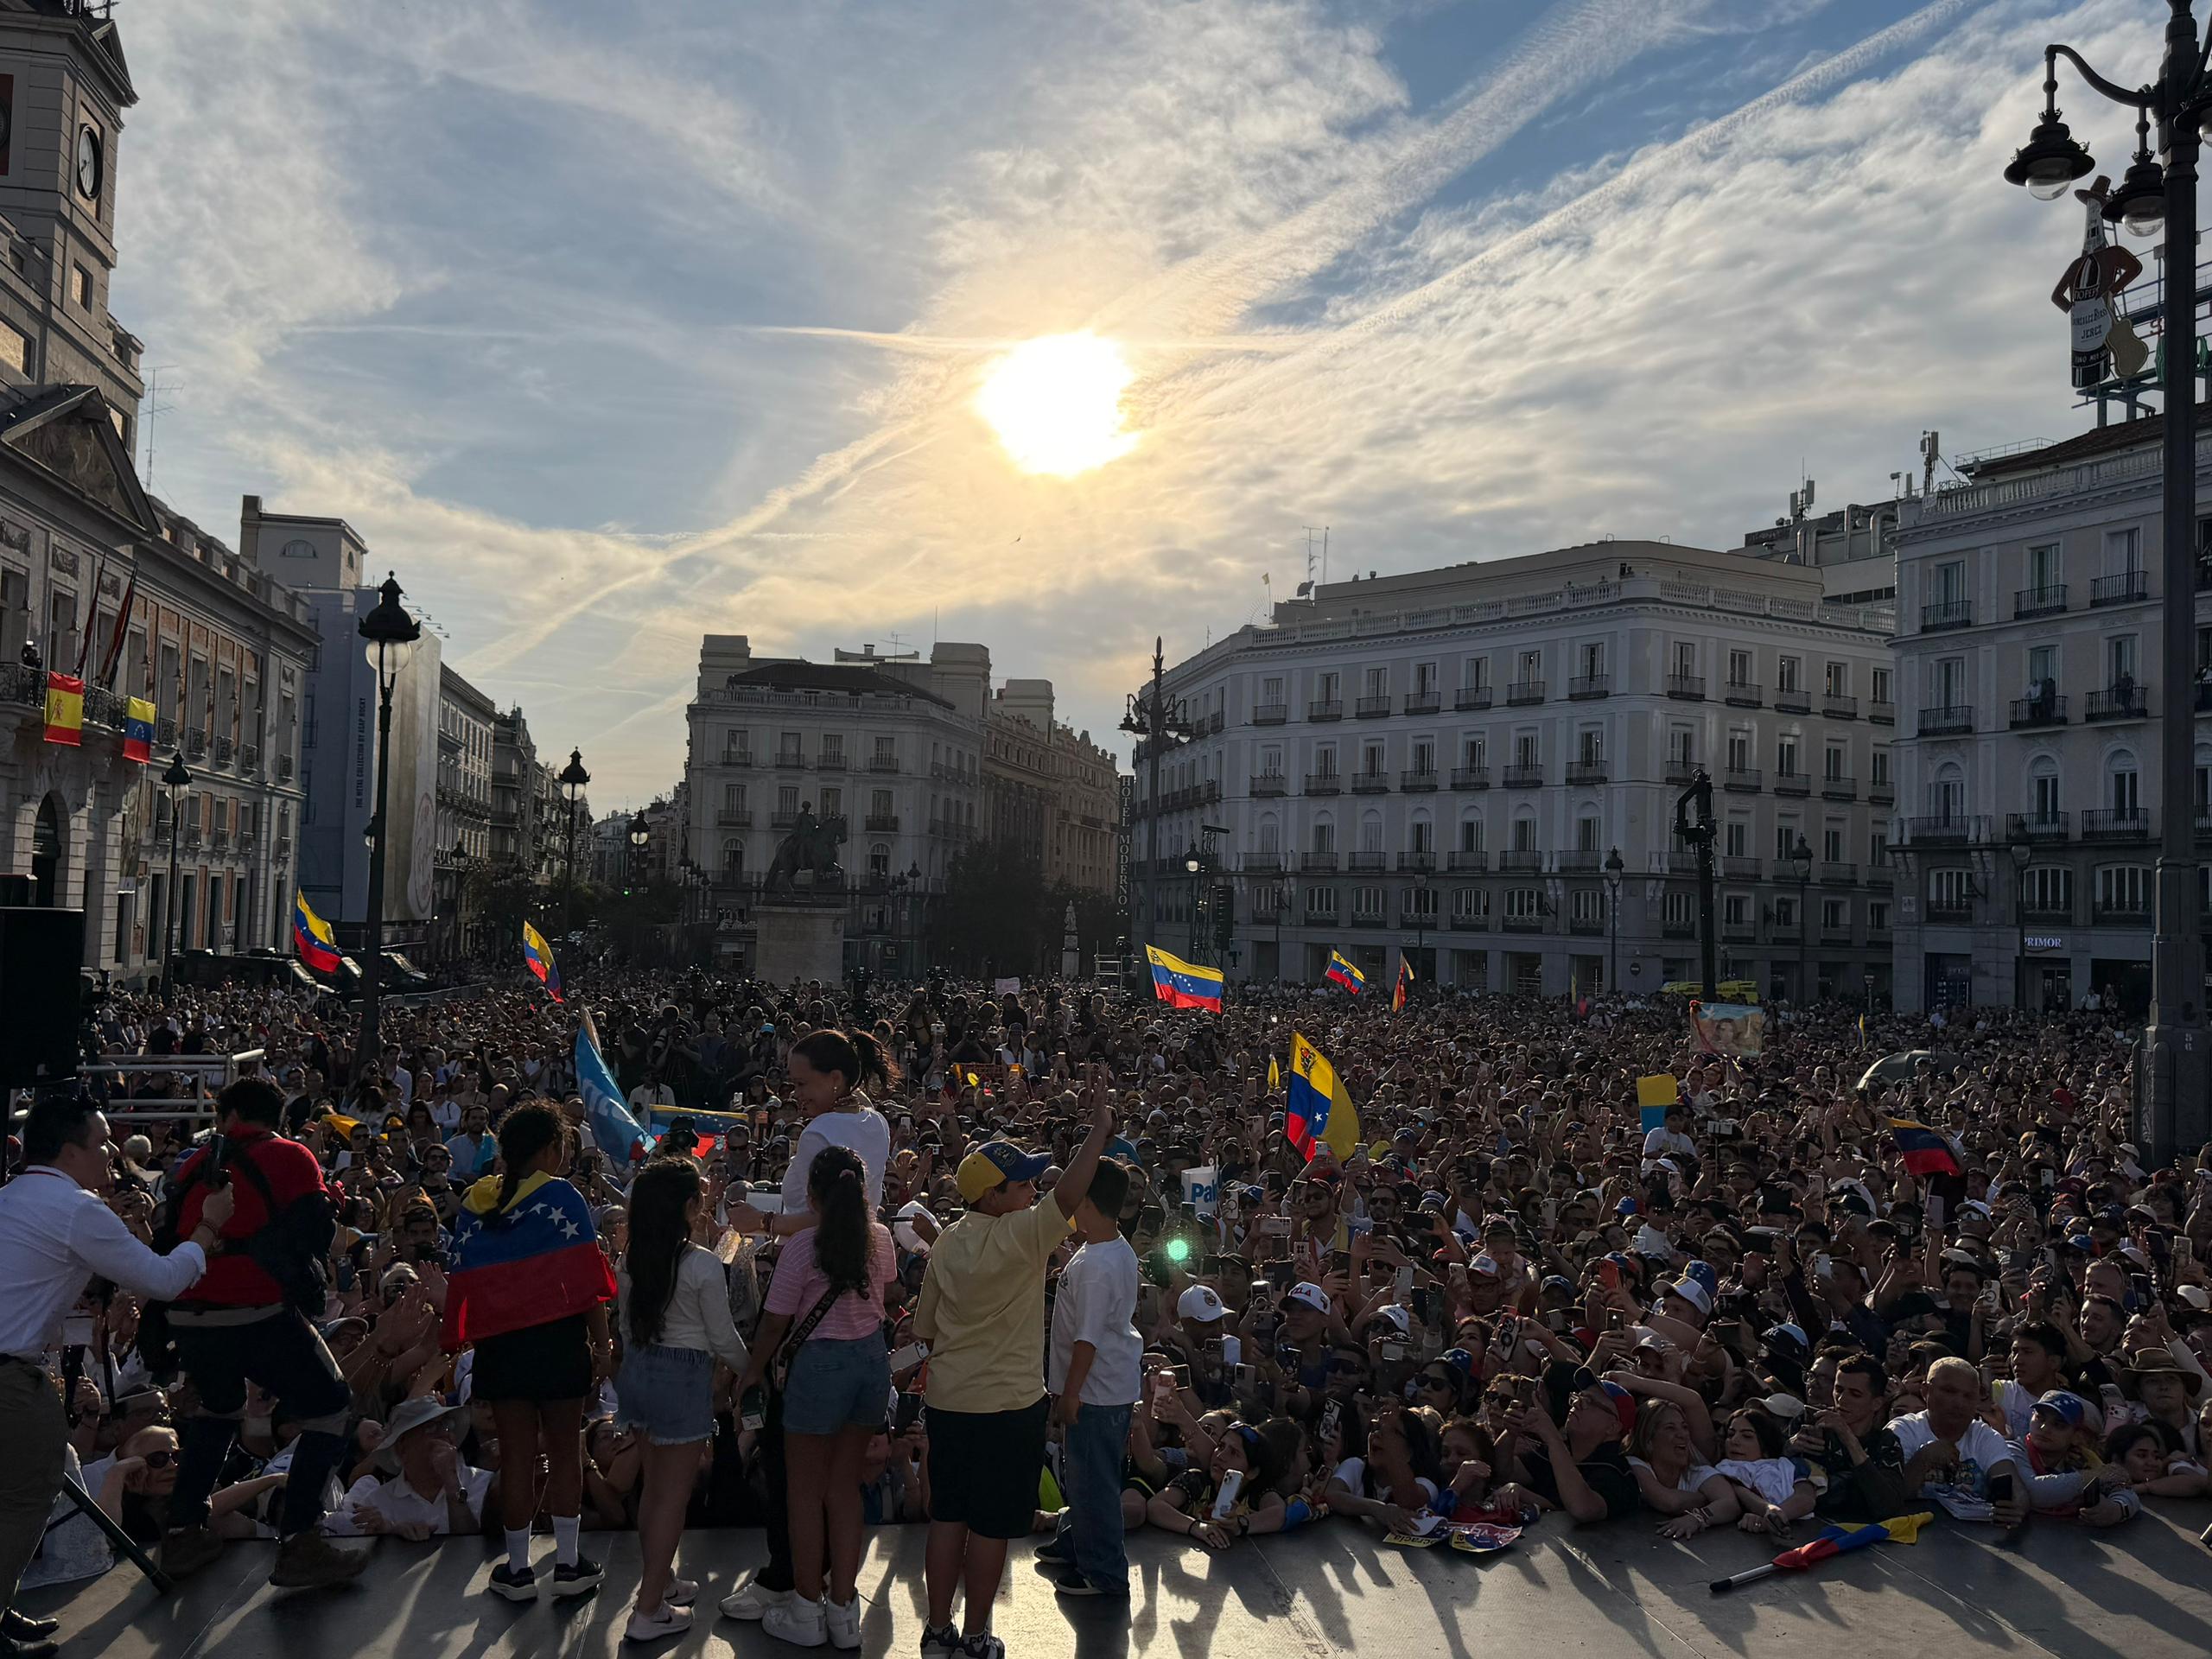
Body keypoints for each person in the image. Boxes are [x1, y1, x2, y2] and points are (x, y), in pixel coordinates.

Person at [0, 1096, 230, 1659]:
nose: (111, 1151)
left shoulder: (13, 1196)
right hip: (9, 1378)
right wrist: (207, 1227)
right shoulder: (75, 1208)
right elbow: (163, 1279)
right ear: (69, 1150)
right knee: (29, 1492)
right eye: (101, 1141)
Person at [914, 1078, 1115, 1659]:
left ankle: (937, 1630)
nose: (1033, 1189)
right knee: (991, 1529)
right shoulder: (1025, 1234)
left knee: (947, 1519)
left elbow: (924, 1329)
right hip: (1008, 1408)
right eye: (1023, 1183)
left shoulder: (946, 1243)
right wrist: (1098, 1132)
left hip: (949, 1402)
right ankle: (976, 1636)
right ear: (992, 1196)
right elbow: (1070, 1194)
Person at [158, 1077, 365, 1591]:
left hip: (188, 1312)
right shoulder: (292, 1155)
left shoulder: (193, 1163)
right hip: (255, 1310)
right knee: (333, 1407)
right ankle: (299, 1542)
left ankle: (183, 1533)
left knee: (219, 1408)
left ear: (230, 1117)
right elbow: (317, 1235)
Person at [444, 1099, 619, 1602]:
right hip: (559, 1346)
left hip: (501, 1351)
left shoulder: (475, 1203)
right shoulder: (561, 1196)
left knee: (517, 1457)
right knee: (565, 1454)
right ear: (551, 1149)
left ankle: (517, 1569)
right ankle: (568, 1563)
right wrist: (602, 1346)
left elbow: (466, 1280)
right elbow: (587, 1283)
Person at [734, 1144, 895, 1649]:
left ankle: (806, 1608)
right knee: (844, 1489)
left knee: (804, 1492)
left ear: (812, 1195)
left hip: (820, 1367)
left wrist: (752, 1372)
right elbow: (886, 1290)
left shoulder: (804, 1247)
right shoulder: (880, 1238)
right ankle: (844, 1612)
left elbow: (775, 1323)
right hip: (870, 1363)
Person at [615, 1157, 748, 1644]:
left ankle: (661, 1579)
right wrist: (751, 1368)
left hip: (638, 1372)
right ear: (690, 1206)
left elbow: (624, 1327)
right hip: (682, 1377)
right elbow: (722, 1337)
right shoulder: (702, 1263)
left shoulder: (628, 1258)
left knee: (654, 1488)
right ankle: (648, 1609)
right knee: (673, 1496)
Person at [1041, 1157, 1140, 1597]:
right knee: (1080, 1474)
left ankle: (1103, 1571)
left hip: (1094, 1393)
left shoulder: (1098, 1267)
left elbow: (1087, 1340)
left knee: (1093, 1482)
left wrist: (1070, 1394)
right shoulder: (1104, 1248)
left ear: (1087, 1201)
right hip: (1100, 1388)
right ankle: (1075, 1541)